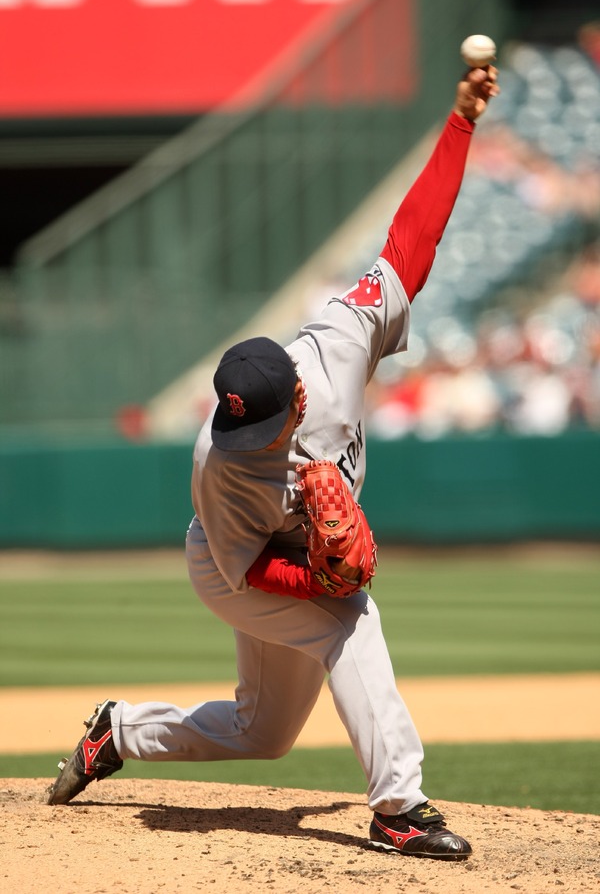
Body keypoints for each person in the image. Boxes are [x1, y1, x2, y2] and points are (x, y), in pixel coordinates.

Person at [47, 64, 500, 860]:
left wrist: (460, 121)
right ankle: (399, 808)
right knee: (350, 621)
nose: (241, 445)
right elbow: (249, 567)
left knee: (265, 734)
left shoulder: (340, 344)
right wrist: (328, 578)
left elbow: (411, 244)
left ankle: (117, 731)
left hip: (284, 558)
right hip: (236, 568)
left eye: (254, 432)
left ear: (295, 401)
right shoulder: (221, 467)